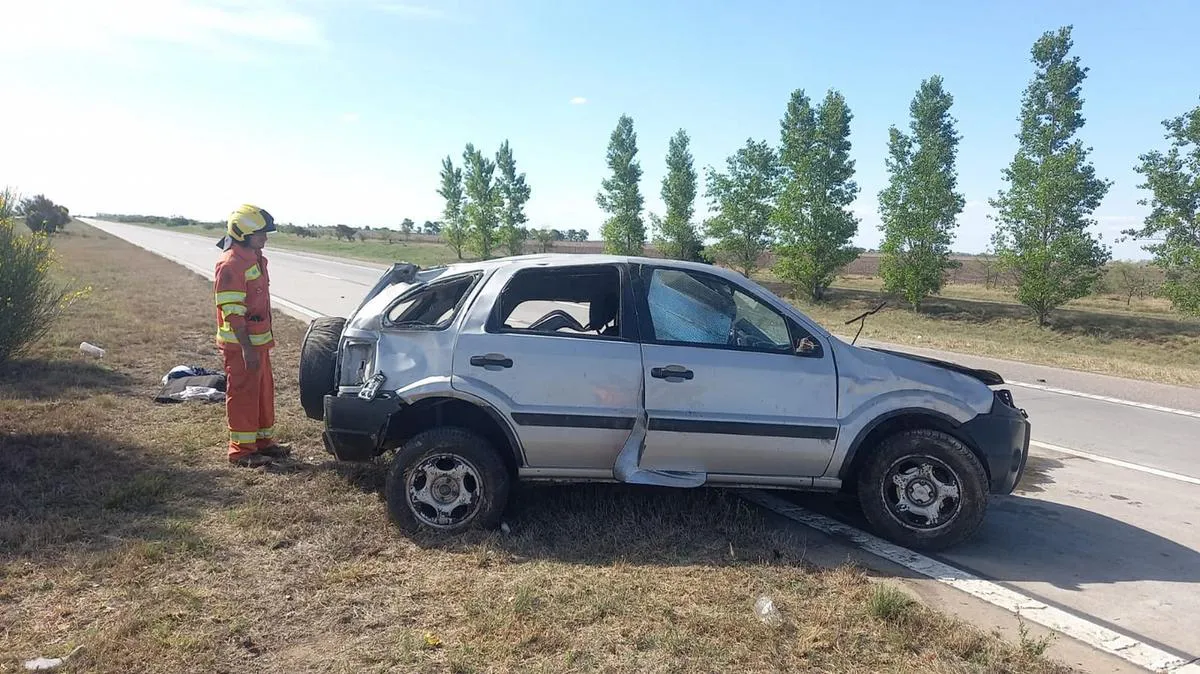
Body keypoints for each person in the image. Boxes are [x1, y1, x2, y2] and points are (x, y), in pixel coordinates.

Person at [213, 204, 291, 467]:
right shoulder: (231, 264)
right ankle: (241, 451)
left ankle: (262, 443)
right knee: (244, 394)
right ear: (243, 233)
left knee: (262, 392)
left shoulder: (255, 258)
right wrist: (246, 349)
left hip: (258, 342)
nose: (265, 238)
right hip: (241, 345)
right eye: (261, 234)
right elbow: (232, 313)